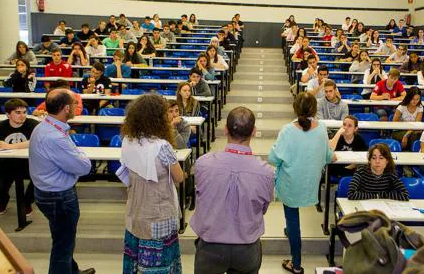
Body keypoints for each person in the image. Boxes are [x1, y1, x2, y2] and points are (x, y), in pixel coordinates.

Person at [192, 106, 274, 274]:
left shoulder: (203, 163)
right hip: (247, 248)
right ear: (254, 131)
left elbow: (200, 198)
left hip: (210, 246)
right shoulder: (266, 172)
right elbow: (263, 208)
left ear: (225, 130)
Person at [116, 94, 184, 274]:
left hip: (135, 211)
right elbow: (179, 177)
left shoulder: (127, 141)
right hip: (158, 213)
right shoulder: (161, 146)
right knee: (160, 264)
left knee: (136, 261)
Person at [28, 88, 94, 274]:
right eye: (74, 103)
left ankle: (72, 271)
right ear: (66, 108)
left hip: (47, 193)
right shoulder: (55, 137)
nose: (77, 106)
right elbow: (84, 167)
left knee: (62, 238)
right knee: (62, 245)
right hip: (59, 197)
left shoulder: (44, 126)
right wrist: (80, 156)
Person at [269, 93, 335, 274]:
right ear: (314, 109)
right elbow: (328, 156)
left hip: (291, 183)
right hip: (310, 183)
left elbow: (273, 159)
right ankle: (289, 230)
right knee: (292, 220)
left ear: (295, 108)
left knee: (293, 220)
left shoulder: (288, 130)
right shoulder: (321, 128)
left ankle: (296, 264)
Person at [0, 99, 39, 216]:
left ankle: (26, 202)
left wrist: (10, 146)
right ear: (8, 114)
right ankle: (3, 200)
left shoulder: (33, 124)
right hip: (6, 164)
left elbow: (36, 141)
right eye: (18, 112)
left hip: (30, 164)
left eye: (24, 112)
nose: (23, 116)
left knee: (40, 179)